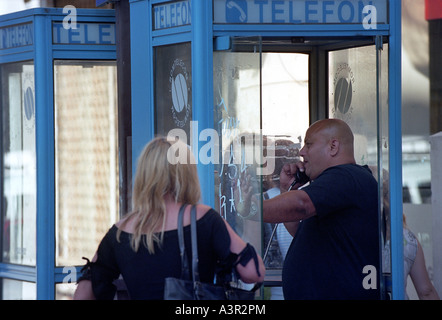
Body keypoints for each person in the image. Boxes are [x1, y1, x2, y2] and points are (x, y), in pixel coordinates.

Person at [74, 136, 265, 300]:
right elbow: (254, 272)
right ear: (186, 175)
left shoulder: (119, 231)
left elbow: (83, 295)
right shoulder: (204, 218)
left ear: (144, 176)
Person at [263, 118, 381, 299]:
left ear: (333, 146)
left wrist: (249, 210)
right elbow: (300, 233)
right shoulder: (337, 184)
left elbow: (301, 205)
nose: (302, 152)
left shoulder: (347, 175)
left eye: (308, 145)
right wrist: (288, 189)